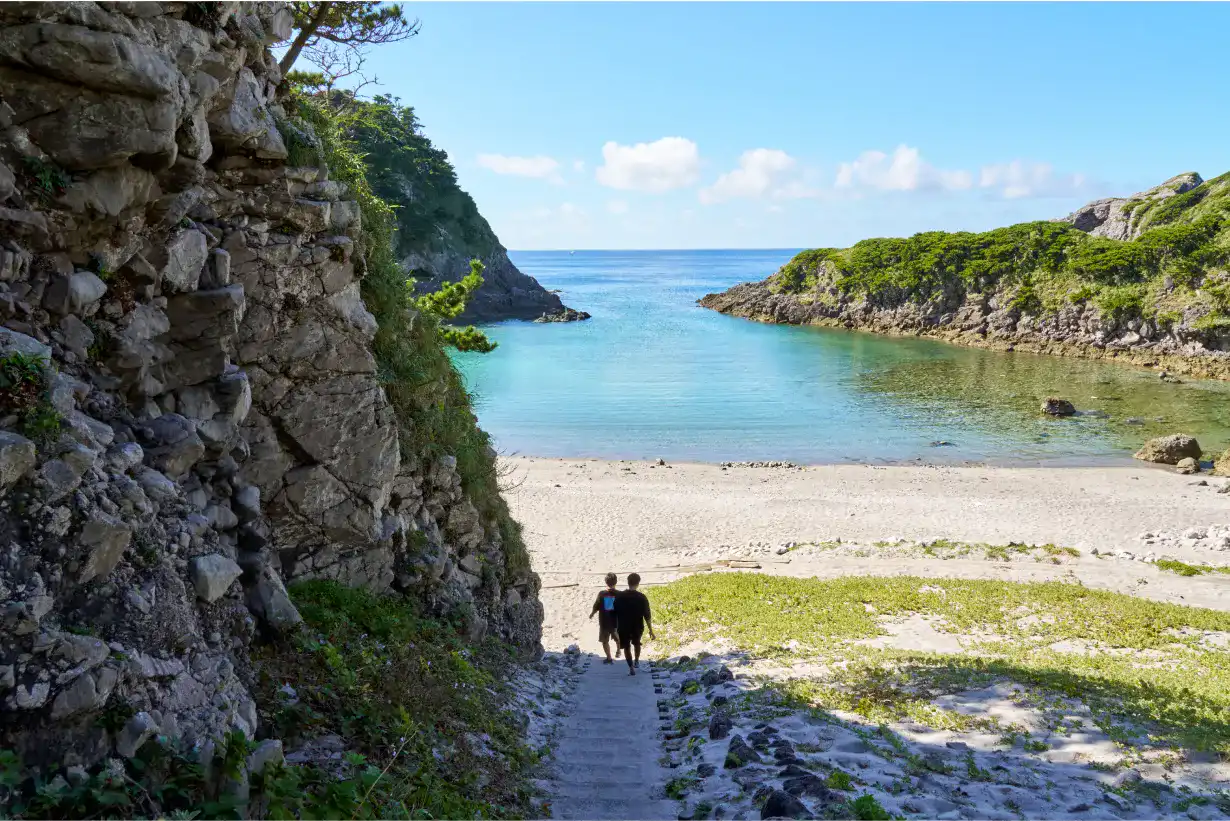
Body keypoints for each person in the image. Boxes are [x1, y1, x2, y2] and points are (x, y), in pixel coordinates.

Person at [613, 572, 654, 675]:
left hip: (623, 627)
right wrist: (651, 630)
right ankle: (636, 660)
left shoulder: (619, 597)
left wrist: (613, 629)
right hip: (637, 626)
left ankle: (631, 667)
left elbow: (613, 613)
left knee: (626, 647)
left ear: (628, 582)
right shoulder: (642, 597)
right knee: (636, 643)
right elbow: (647, 616)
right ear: (638, 583)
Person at [589, 573, 622, 664]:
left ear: (605, 582)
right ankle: (618, 650)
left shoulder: (602, 594)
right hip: (615, 621)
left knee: (604, 641)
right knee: (617, 638)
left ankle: (609, 658)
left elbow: (596, 605)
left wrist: (592, 613)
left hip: (604, 622)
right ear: (616, 582)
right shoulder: (619, 594)